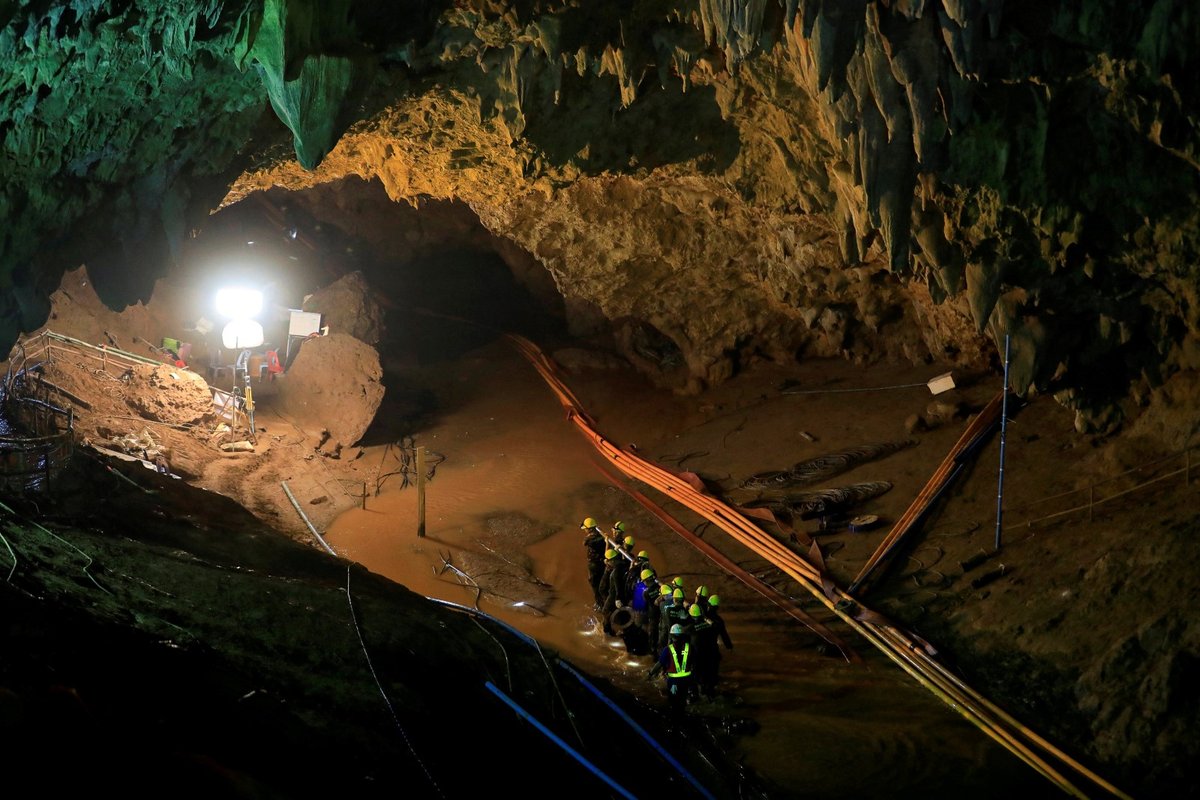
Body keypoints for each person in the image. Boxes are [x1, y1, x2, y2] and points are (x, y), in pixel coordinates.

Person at [648, 624, 695, 715]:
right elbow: (696, 663)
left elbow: (659, 664)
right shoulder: (690, 647)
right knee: (683, 700)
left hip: (673, 681)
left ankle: (675, 719)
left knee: (673, 703)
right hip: (686, 680)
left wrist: (650, 674)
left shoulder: (668, 649)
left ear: (671, 636)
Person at [688, 603, 719, 699]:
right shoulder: (707, 625)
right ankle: (707, 693)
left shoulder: (691, 627)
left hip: (696, 656)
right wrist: (705, 618)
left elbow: (680, 630)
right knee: (706, 676)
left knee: (694, 676)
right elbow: (715, 626)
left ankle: (696, 694)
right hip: (707, 655)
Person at [580, 517, 606, 606]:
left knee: (594, 583)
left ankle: (599, 603)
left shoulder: (589, 539)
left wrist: (591, 533)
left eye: (586, 529)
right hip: (602, 562)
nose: (585, 531)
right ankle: (603, 599)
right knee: (602, 581)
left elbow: (584, 543)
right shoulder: (602, 536)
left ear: (590, 529)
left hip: (594, 564)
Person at [597, 549, 621, 634]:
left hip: (613, 595)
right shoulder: (618, 566)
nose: (606, 562)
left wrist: (618, 598)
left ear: (613, 560)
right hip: (613, 594)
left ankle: (608, 631)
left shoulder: (615, 572)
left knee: (605, 611)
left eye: (608, 560)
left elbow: (617, 586)